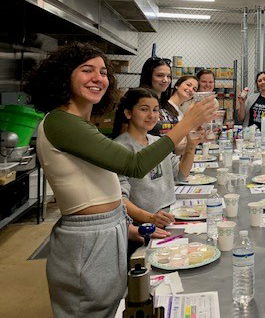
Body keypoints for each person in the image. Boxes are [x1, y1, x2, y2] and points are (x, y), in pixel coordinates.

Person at [25, 42, 216, 317]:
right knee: (89, 309)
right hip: (88, 242)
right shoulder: (60, 121)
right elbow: (134, 164)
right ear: (64, 75)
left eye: (103, 72)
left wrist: (127, 229)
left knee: (111, 305)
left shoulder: (78, 124)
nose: (98, 78)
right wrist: (185, 125)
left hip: (107, 231)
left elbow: (102, 192)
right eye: (87, 70)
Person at [112, 88, 202, 231]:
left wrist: (191, 146)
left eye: (155, 110)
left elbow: (180, 174)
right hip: (144, 225)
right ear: (128, 113)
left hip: (171, 216)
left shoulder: (157, 142)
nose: (151, 115)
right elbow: (119, 200)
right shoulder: (119, 148)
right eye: (144, 109)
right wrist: (150, 218)